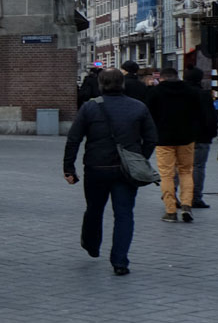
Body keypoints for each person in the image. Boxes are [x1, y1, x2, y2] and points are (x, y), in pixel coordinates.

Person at [65, 67, 159, 275]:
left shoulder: (90, 108)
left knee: (94, 209)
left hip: (96, 168)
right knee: (124, 214)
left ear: (100, 84)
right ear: (122, 84)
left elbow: (74, 138)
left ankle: (91, 244)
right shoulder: (138, 107)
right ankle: (120, 261)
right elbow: (151, 138)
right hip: (126, 170)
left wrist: (68, 167)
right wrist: (139, 157)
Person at [146, 66, 201, 222]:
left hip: (163, 139)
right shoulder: (191, 92)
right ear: (177, 76)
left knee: (166, 175)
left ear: (161, 78)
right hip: (186, 138)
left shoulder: (155, 93)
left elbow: (148, 116)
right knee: (186, 171)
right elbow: (199, 114)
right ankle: (186, 206)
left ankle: (170, 211)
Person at [186, 67, 217, 209]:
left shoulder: (182, 93)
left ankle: (173, 195)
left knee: (180, 167)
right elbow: (211, 117)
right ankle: (195, 197)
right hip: (202, 136)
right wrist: (211, 134)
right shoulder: (204, 95)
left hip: (183, 136)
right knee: (198, 167)